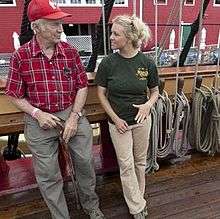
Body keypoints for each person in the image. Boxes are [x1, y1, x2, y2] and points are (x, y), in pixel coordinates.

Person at [5, 0, 105, 218]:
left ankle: (91, 207)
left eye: (61, 23)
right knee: (49, 175)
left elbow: (81, 86)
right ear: (36, 27)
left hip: (71, 112)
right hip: (39, 119)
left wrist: (74, 117)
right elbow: (13, 93)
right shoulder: (20, 57)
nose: (61, 29)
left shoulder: (70, 52)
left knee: (86, 164)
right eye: (54, 24)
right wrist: (37, 114)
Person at [95, 15, 159, 219]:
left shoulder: (147, 63)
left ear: (130, 37)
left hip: (142, 121)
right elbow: (101, 94)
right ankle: (137, 207)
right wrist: (115, 118)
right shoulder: (108, 63)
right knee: (126, 165)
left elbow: (155, 91)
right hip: (119, 123)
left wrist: (148, 105)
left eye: (116, 34)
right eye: (112, 33)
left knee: (140, 162)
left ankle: (137, 198)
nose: (111, 37)